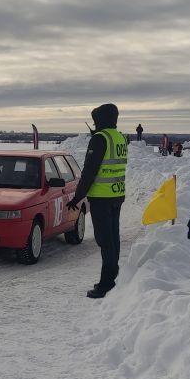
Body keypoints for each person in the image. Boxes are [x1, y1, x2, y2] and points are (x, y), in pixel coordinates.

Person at [67, 103, 127, 298]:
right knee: (113, 237)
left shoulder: (100, 139)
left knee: (105, 241)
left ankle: (106, 283)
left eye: (96, 120)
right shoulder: (119, 137)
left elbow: (89, 173)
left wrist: (77, 197)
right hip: (117, 194)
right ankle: (114, 276)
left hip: (102, 197)